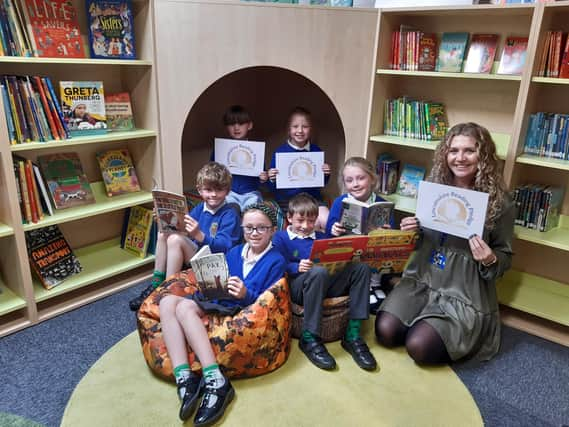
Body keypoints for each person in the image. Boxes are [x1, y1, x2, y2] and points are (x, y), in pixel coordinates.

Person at [375, 122, 514, 364]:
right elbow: (427, 237)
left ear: (483, 155)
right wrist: (412, 231)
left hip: (463, 293)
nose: (460, 158)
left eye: (469, 150)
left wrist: (490, 258)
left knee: (418, 347)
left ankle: (428, 326)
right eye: (453, 151)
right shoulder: (435, 189)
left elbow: (505, 255)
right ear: (445, 154)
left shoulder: (500, 203)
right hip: (423, 279)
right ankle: (417, 315)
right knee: (386, 331)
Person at [159, 203, 286, 423]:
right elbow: (221, 277)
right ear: (243, 228)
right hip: (219, 301)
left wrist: (245, 293)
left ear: (272, 230)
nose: (253, 233)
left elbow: (267, 300)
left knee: (184, 308)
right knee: (166, 302)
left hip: (240, 308)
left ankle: (216, 380)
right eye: (248, 228)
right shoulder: (236, 251)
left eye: (261, 228)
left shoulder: (276, 260)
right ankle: (184, 377)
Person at [273, 193, 377, 371]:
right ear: (289, 218)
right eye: (300, 221)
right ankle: (309, 336)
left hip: (324, 283)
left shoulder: (322, 237)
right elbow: (275, 263)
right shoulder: (281, 237)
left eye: (311, 221)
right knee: (318, 271)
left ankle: (352, 334)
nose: (306, 226)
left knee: (362, 268)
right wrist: (295, 267)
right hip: (298, 287)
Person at [129, 162, 241, 311]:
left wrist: (199, 235)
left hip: (215, 263)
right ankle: (157, 283)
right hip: (197, 254)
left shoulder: (230, 214)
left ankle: (167, 290)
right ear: (200, 190)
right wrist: (165, 220)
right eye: (208, 190)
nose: (213, 194)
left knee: (175, 240)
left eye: (219, 190)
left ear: (227, 191)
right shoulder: (200, 208)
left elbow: (225, 247)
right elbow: (184, 230)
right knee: (164, 232)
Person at [267, 107, 331, 231]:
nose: (300, 130)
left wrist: (326, 174)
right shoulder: (280, 152)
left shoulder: (316, 151)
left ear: (311, 129)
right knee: (303, 226)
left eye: (305, 127)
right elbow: (272, 187)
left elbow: (321, 183)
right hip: (287, 201)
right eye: (295, 126)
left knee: (327, 220)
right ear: (289, 129)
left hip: (312, 200)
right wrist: (272, 178)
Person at [212, 105, 268, 212]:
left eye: (241, 123)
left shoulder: (256, 150)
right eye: (232, 124)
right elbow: (211, 171)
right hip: (229, 192)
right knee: (228, 205)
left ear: (249, 125)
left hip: (251, 193)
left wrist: (263, 178)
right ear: (226, 127)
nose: (236, 128)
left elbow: (262, 177)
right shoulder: (220, 149)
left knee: (253, 205)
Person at [325, 156, 394, 237]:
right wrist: (333, 230)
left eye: (361, 178)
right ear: (344, 183)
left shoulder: (384, 205)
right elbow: (327, 234)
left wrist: (387, 232)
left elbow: (392, 234)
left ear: (372, 179)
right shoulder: (339, 202)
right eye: (349, 180)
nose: (355, 184)